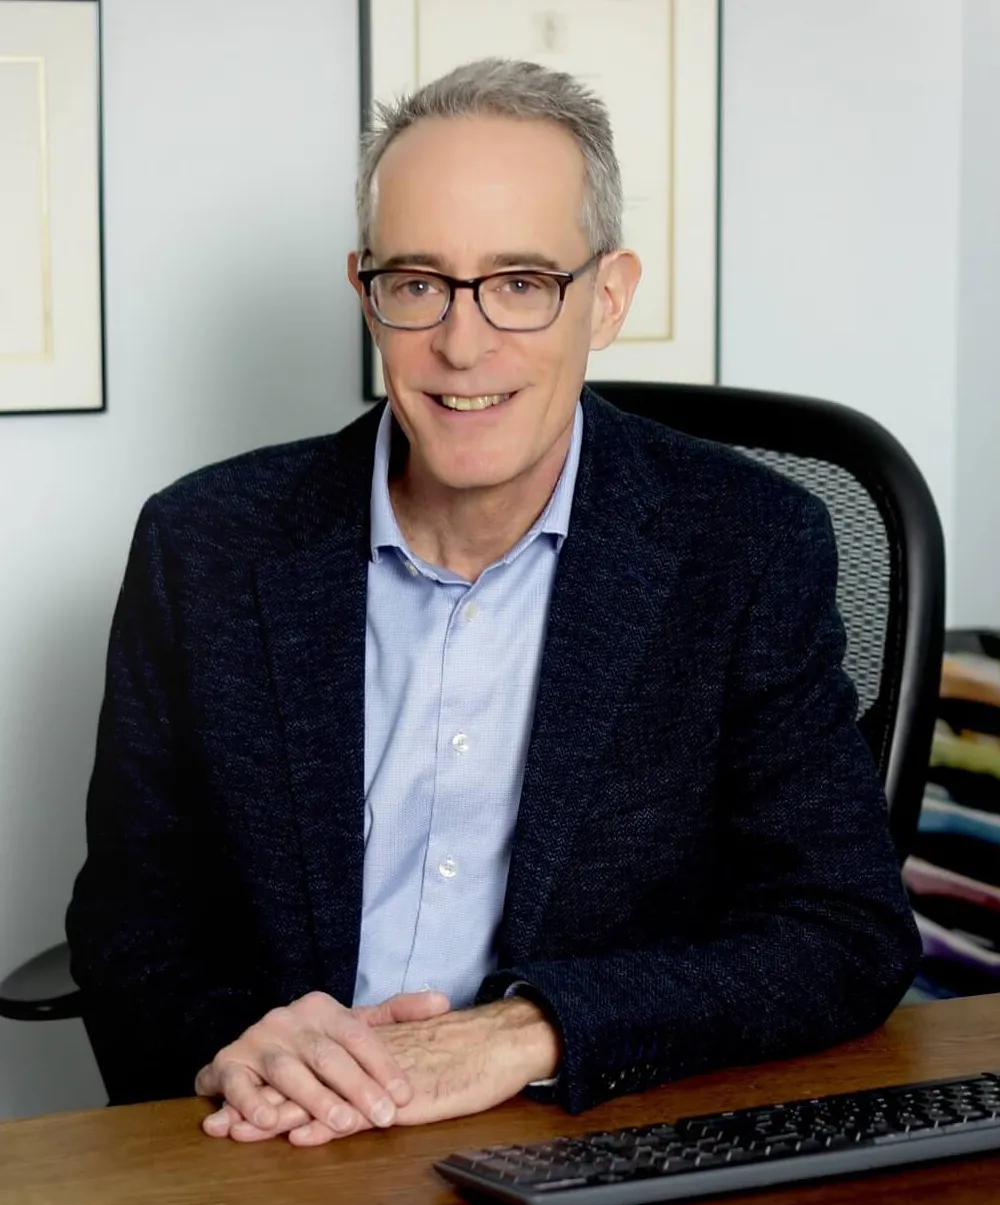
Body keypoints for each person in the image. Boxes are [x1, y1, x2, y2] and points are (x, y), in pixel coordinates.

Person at [66, 58, 921, 1147]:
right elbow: (127, 920)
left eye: (521, 282)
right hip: (274, 1142)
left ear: (605, 297)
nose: (462, 344)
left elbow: (842, 928)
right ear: (364, 291)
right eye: (418, 282)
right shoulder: (206, 545)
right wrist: (242, 1043)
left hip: (584, 1132)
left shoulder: (746, 546)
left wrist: (527, 1030)